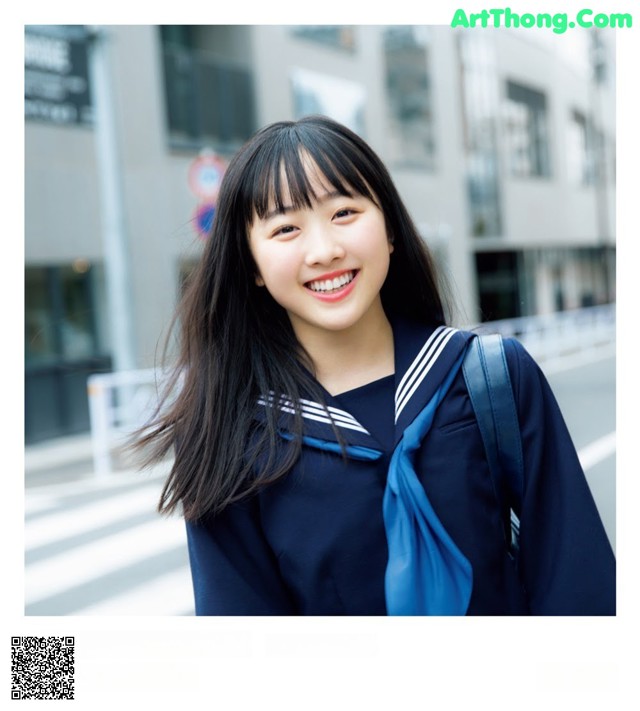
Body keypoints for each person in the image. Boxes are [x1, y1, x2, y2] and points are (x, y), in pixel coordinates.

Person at [136, 115, 615, 615]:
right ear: (251, 265)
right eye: (285, 228)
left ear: (389, 229)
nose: (325, 250)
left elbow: (579, 586)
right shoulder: (232, 437)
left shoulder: (489, 379)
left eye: (344, 212)